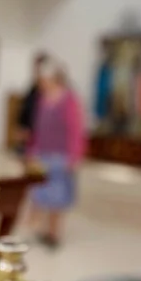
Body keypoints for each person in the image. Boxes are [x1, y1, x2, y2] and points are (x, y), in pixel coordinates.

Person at [27, 58, 85, 249]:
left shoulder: (69, 100)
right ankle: (43, 230)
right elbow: (39, 129)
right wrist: (32, 150)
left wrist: (75, 155)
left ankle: (54, 233)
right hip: (43, 154)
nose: (42, 83)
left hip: (61, 156)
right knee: (42, 195)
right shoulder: (43, 99)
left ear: (54, 78)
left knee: (57, 197)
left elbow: (76, 129)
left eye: (45, 79)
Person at [17, 52, 48, 153]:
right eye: (36, 70)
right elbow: (25, 111)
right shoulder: (32, 90)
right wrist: (22, 128)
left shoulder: (53, 95)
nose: (37, 73)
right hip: (30, 142)